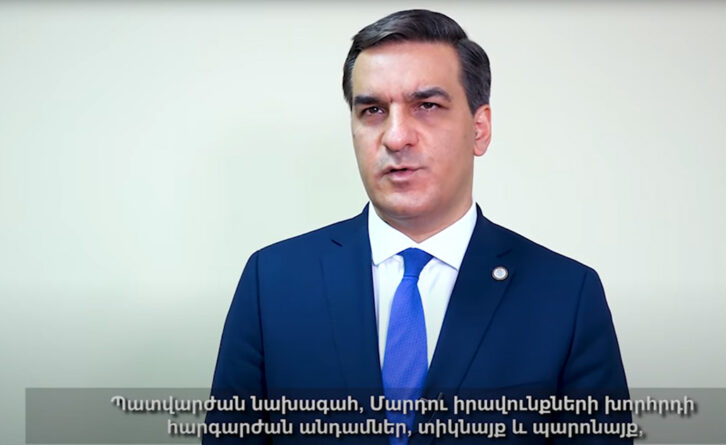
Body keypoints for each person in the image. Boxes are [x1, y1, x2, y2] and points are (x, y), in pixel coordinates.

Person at [204, 9, 631, 445]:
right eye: (372, 110)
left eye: (427, 106)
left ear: (479, 129)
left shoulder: (567, 295)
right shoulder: (271, 282)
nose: (395, 137)